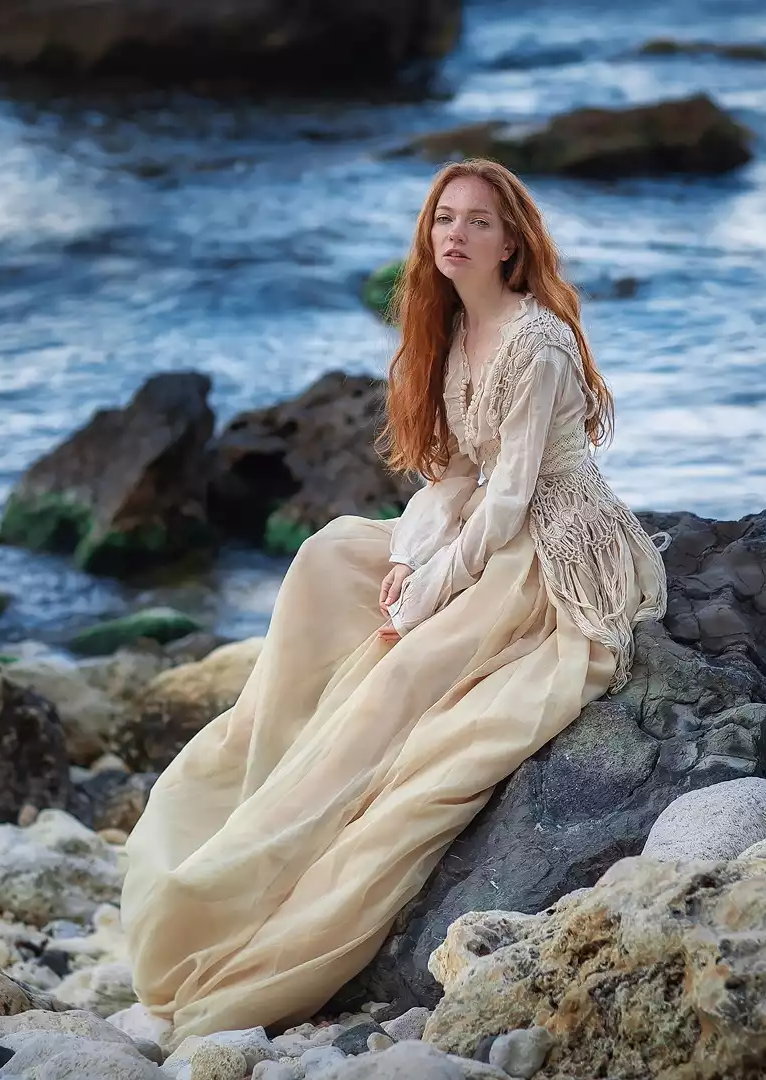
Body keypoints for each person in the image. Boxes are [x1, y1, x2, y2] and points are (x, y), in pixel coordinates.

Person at [117, 158, 668, 1040]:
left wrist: (429, 595)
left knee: (404, 677)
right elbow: (452, 478)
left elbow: (512, 498)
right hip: (479, 527)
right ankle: (268, 767)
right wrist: (411, 558)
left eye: (479, 221)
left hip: (556, 549)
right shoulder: (450, 331)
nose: (455, 234)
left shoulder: (538, 342)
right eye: (444, 218)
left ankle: (276, 869)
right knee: (332, 554)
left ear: (512, 241)